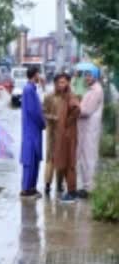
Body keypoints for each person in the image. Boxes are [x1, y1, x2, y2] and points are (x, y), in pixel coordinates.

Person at [47, 73, 82, 203]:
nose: (61, 85)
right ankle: (71, 191)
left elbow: (77, 109)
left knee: (69, 163)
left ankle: (72, 192)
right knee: (64, 162)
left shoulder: (70, 96)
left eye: (63, 82)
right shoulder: (63, 95)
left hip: (69, 136)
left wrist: (68, 123)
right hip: (63, 135)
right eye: (59, 82)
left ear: (68, 82)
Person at [76, 67, 104, 198]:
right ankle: (86, 186)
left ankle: (89, 188)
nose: (87, 78)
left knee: (89, 158)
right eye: (86, 75)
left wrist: (76, 107)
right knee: (85, 157)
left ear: (95, 76)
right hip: (86, 129)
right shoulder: (92, 89)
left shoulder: (96, 91)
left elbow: (86, 111)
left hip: (89, 129)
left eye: (89, 75)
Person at [20, 66, 46, 198]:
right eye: (38, 74)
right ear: (35, 74)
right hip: (31, 130)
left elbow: (39, 107)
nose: (40, 76)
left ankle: (31, 187)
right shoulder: (29, 89)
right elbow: (34, 111)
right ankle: (27, 188)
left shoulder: (32, 89)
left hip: (33, 130)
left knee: (34, 159)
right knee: (30, 159)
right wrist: (43, 123)